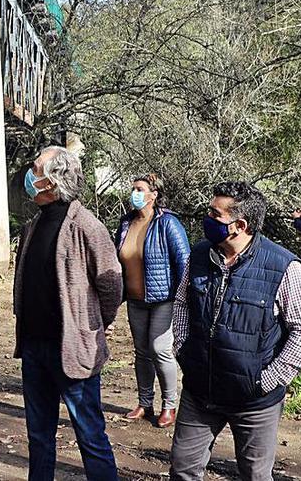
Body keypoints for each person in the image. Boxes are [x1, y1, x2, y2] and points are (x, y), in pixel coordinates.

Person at [169, 181, 301, 481]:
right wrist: (183, 349)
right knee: (183, 469)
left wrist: (266, 380)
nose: (207, 219)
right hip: (201, 392)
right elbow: (182, 304)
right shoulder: (200, 255)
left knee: (254, 474)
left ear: (239, 225)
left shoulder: (284, 267)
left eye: (215, 214)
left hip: (254, 402)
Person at [14, 146, 123, 481]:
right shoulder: (33, 225)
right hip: (34, 348)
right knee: (39, 438)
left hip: (73, 351)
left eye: (36, 169)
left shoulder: (87, 226)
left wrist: (89, 326)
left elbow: (111, 286)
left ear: (53, 179)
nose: (29, 176)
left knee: (90, 435)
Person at [115, 173, 189, 428]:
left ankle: (169, 405)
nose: (134, 193)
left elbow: (184, 261)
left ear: (153, 194)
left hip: (163, 299)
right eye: (133, 188)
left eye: (140, 189)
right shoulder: (126, 223)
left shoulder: (168, 224)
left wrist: (183, 299)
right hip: (135, 300)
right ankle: (145, 403)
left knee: (160, 349)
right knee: (142, 353)